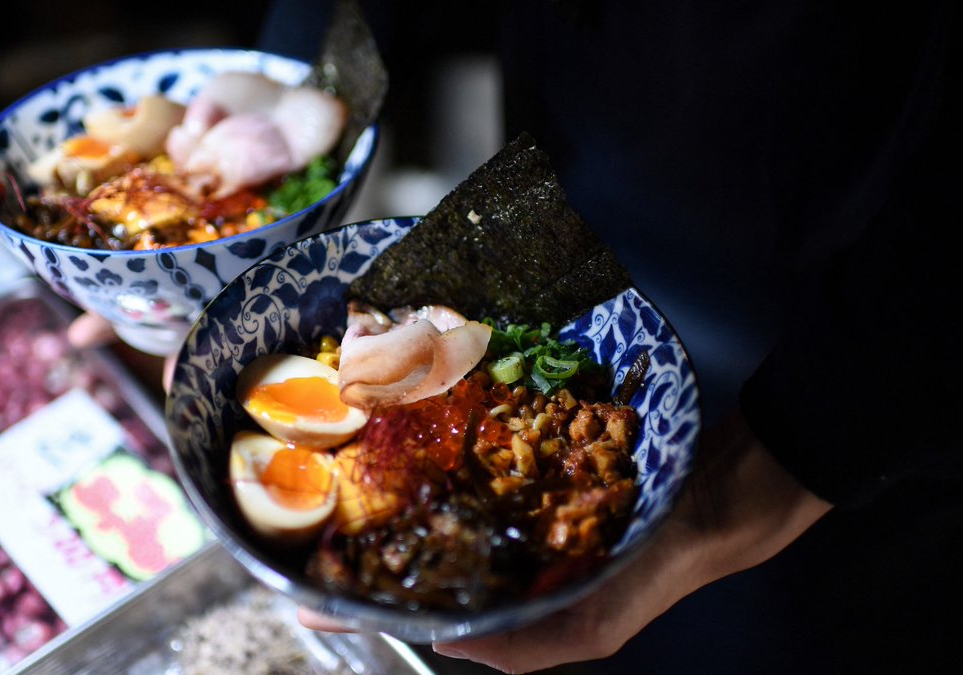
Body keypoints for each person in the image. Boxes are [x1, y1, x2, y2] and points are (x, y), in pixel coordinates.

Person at [76, 1, 962, 672]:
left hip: (869, 357)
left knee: (769, 637)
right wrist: (312, 78)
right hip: (559, 183)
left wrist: (767, 474)